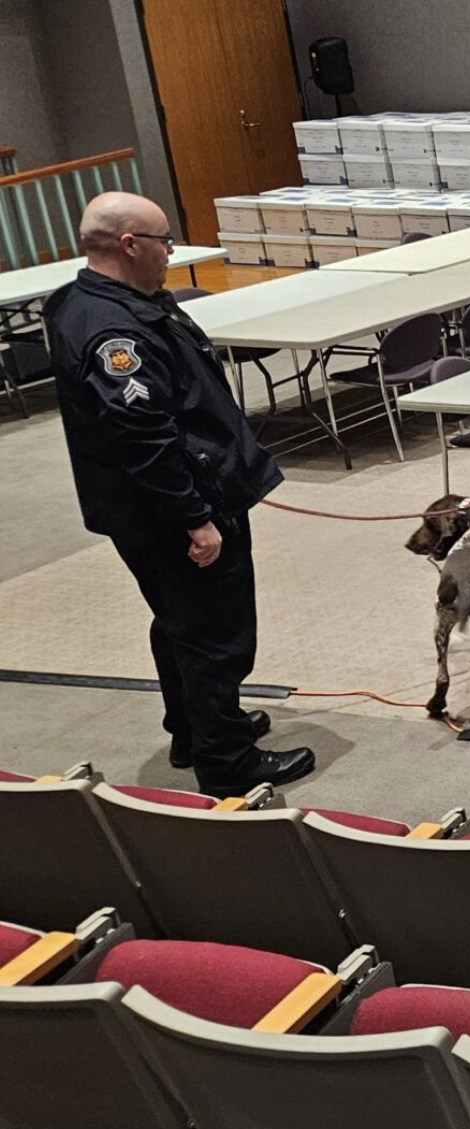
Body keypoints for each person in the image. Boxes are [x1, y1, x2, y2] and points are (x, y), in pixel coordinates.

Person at [45, 192, 315, 796]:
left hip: (148, 505)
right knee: (216, 634)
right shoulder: (117, 329)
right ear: (129, 244)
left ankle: (194, 729)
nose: (173, 251)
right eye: (165, 239)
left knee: (178, 623)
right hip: (174, 507)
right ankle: (228, 763)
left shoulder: (88, 300)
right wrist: (195, 518)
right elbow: (145, 437)